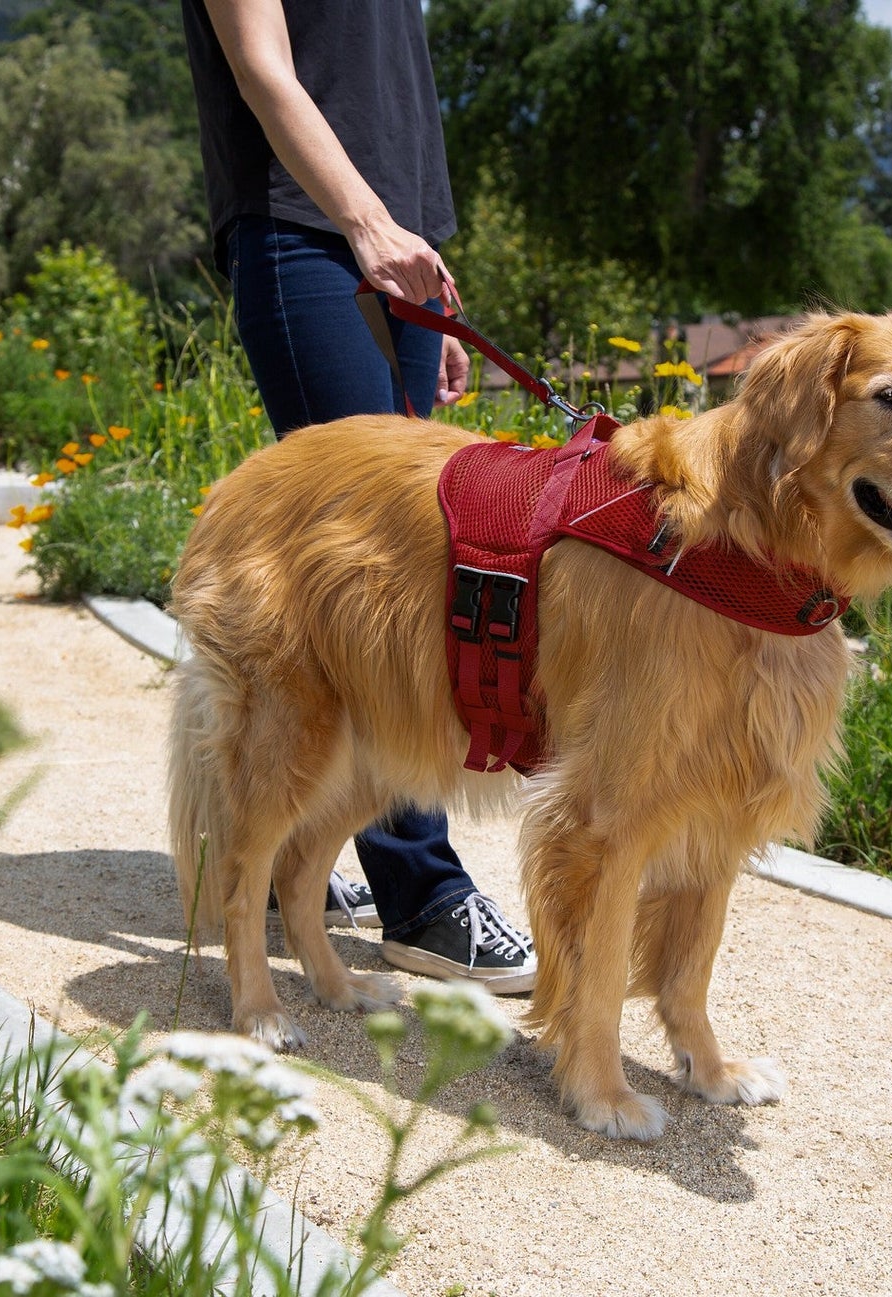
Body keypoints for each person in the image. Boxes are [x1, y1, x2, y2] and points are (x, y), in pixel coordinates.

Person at [180, 0, 536, 992]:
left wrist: (429, 289)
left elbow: (388, 97)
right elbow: (262, 66)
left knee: (417, 576)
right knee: (367, 582)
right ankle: (417, 889)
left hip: (393, 250)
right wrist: (366, 225)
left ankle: (295, 851)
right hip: (309, 234)